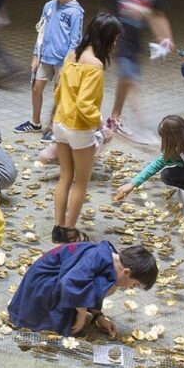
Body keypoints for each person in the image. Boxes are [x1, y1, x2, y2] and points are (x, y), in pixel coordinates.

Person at [52, 13, 122, 244]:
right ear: (108, 38)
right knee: (81, 181)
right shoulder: (95, 65)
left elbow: (59, 89)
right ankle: (70, 230)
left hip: (60, 122)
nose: (116, 44)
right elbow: (85, 105)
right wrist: (103, 128)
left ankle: (58, 227)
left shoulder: (73, 54)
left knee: (65, 176)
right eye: (115, 38)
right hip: (79, 128)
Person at [8, 243, 158, 337]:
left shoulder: (110, 259)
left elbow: (87, 285)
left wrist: (98, 316)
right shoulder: (97, 257)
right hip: (42, 285)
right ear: (126, 272)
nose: (131, 288)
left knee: (109, 285)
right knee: (68, 329)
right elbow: (69, 283)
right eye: (134, 284)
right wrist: (80, 314)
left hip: (56, 281)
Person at [106, 0, 174, 140]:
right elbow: (108, 15)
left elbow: (158, 15)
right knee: (130, 80)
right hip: (121, 41)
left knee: (125, 81)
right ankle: (142, 129)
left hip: (136, 43)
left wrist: (165, 37)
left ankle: (114, 117)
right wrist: (107, 42)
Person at [14, 0, 83, 139]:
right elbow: (41, 32)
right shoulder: (49, 6)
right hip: (45, 55)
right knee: (36, 88)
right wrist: (35, 55)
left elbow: (76, 39)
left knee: (59, 93)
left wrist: (69, 61)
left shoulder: (76, 12)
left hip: (62, 59)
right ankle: (35, 122)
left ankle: (55, 127)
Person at [113, 115, 184, 208]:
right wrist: (132, 184)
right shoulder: (179, 146)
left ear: (174, 139)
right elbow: (157, 164)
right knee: (167, 175)